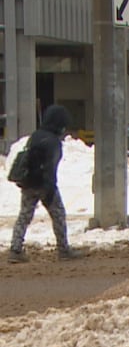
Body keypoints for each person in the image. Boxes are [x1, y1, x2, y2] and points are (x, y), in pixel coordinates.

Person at [9, 104, 82, 263]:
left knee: (24, 215)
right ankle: (63, 249)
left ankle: (15, 249)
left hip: (28, 183)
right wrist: (49, 190)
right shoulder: (54, 142)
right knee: (58, 215)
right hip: (44, 185)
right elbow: (51, 168)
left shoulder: (36, 135)